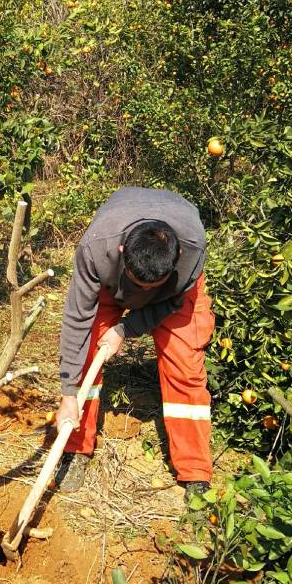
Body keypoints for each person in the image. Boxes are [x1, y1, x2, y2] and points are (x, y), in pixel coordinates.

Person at [56, 186, 215, 499]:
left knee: (185, 368)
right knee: (88, 352)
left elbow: (172, 303)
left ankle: (195, 470)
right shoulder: (97, 247)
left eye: (148, 286)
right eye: (137, 282)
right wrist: (67, 392)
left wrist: (125, 329)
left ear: (178, 257)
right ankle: (74, 448)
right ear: (120, 251)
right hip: (109, 283)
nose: (140, 291)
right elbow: (77, 319)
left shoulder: (192, 249)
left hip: (173, 296)